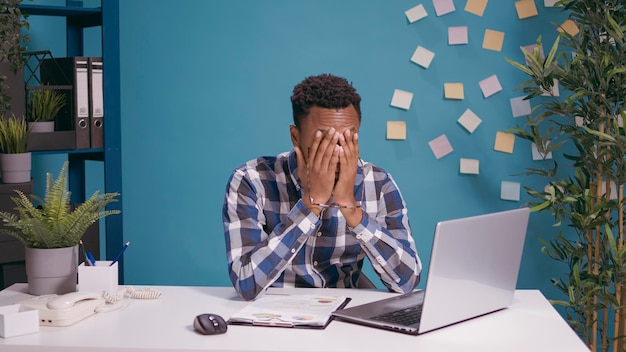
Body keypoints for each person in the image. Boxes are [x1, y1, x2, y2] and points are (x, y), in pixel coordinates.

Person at [222, 73, 422, 300]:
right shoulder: (251, 179)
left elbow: (407, 281)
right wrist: (311, 204)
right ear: (295, 137)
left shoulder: (379, 183)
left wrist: (351, 208)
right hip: (273, 313)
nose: (336, 152)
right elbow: (245, 283)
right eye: (323, 141)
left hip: (346, 314)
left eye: (348, 139)